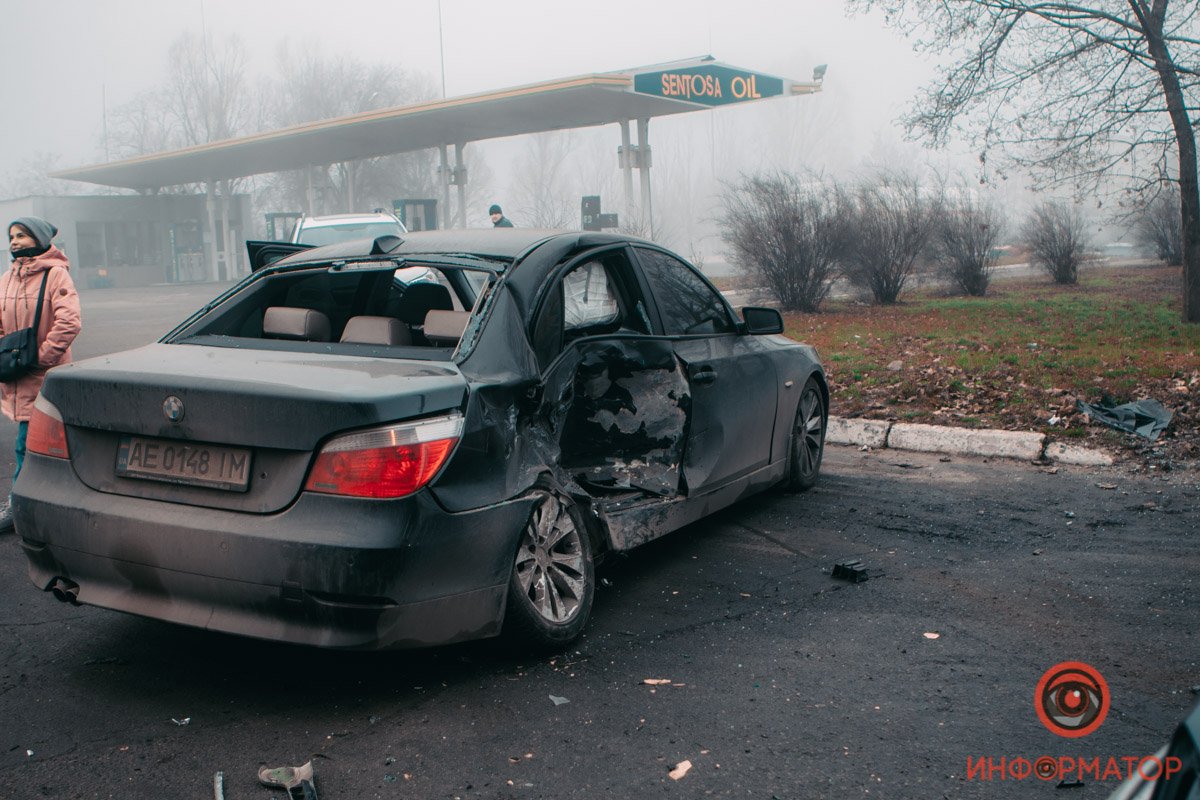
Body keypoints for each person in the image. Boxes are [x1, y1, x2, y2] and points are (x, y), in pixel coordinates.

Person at [0, 217, 81, 531]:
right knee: (35, 444)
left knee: (27, 444)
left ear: (40, 237)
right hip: (17, 375)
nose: (15, 241)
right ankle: (38, 504)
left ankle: (19, 508)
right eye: (11, 236)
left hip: (43, 375)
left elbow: (69, 322)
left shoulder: (55, 274)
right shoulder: (7, 277)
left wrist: (43, 357)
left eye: (22, 235)